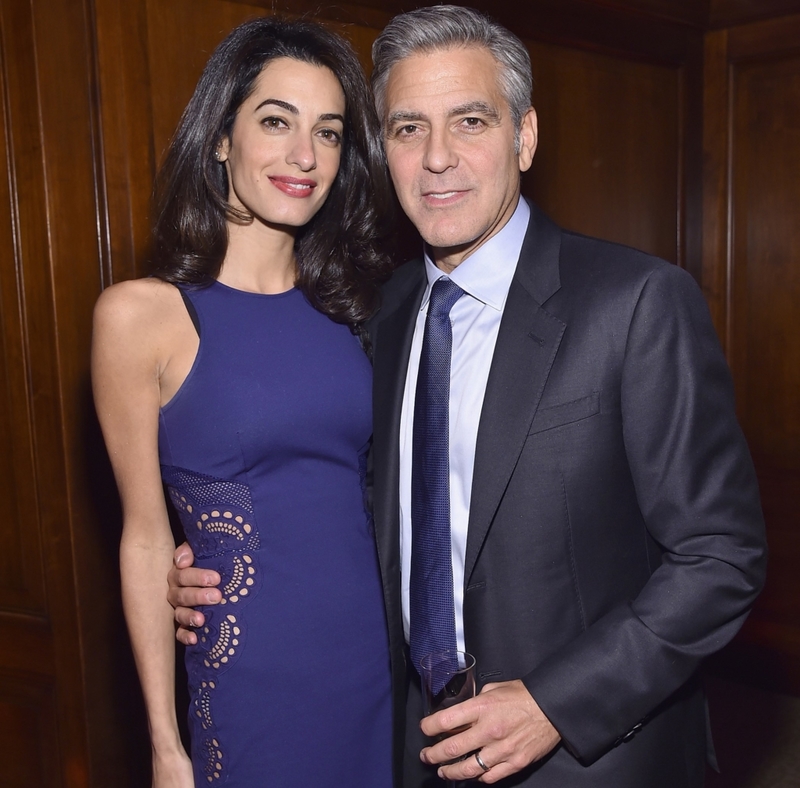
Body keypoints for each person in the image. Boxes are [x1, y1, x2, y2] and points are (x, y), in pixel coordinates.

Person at [168, 6, 768, 787]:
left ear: (524, 137)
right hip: (408, 747)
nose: (438, 159)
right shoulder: (371, 319)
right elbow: (337, 497)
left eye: (471, 121)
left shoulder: (637, 303)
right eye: (409, 128)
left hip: (590, 760)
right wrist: (205, 556)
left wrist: (555, 703)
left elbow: (722, 555)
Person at [92, 16, 395, 788]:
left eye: (328, 134)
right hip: (251, 680)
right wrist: (164, 746)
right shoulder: (140, 316)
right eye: (274, 122)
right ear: (221, 139)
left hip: (376, 666)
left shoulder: (362, 311)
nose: (304, 156)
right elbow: (144, 538)